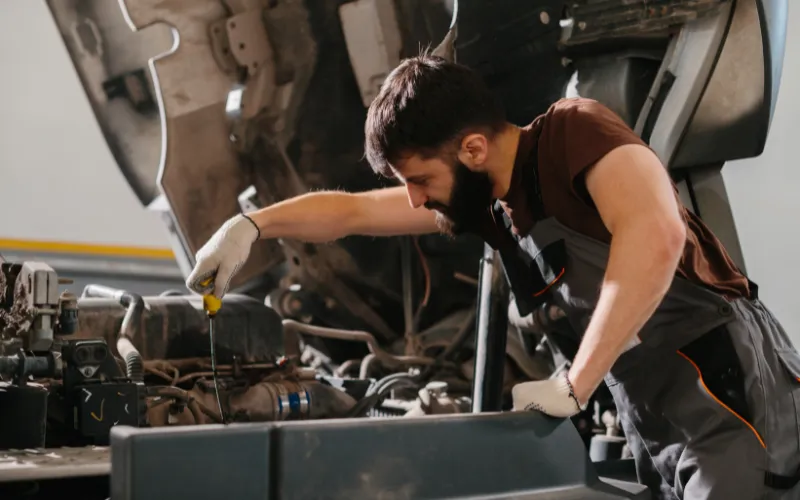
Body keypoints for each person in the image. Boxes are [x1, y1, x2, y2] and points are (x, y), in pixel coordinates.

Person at [186, 54, 800, 499]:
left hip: (728, 395)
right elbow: (351, 211)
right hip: (657, 417)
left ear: (472, 150)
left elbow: (655, 235)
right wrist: (250, 226)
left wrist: (576, 381)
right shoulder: (492, 205)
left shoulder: (574, 132)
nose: (417, 201)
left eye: (420, 180)